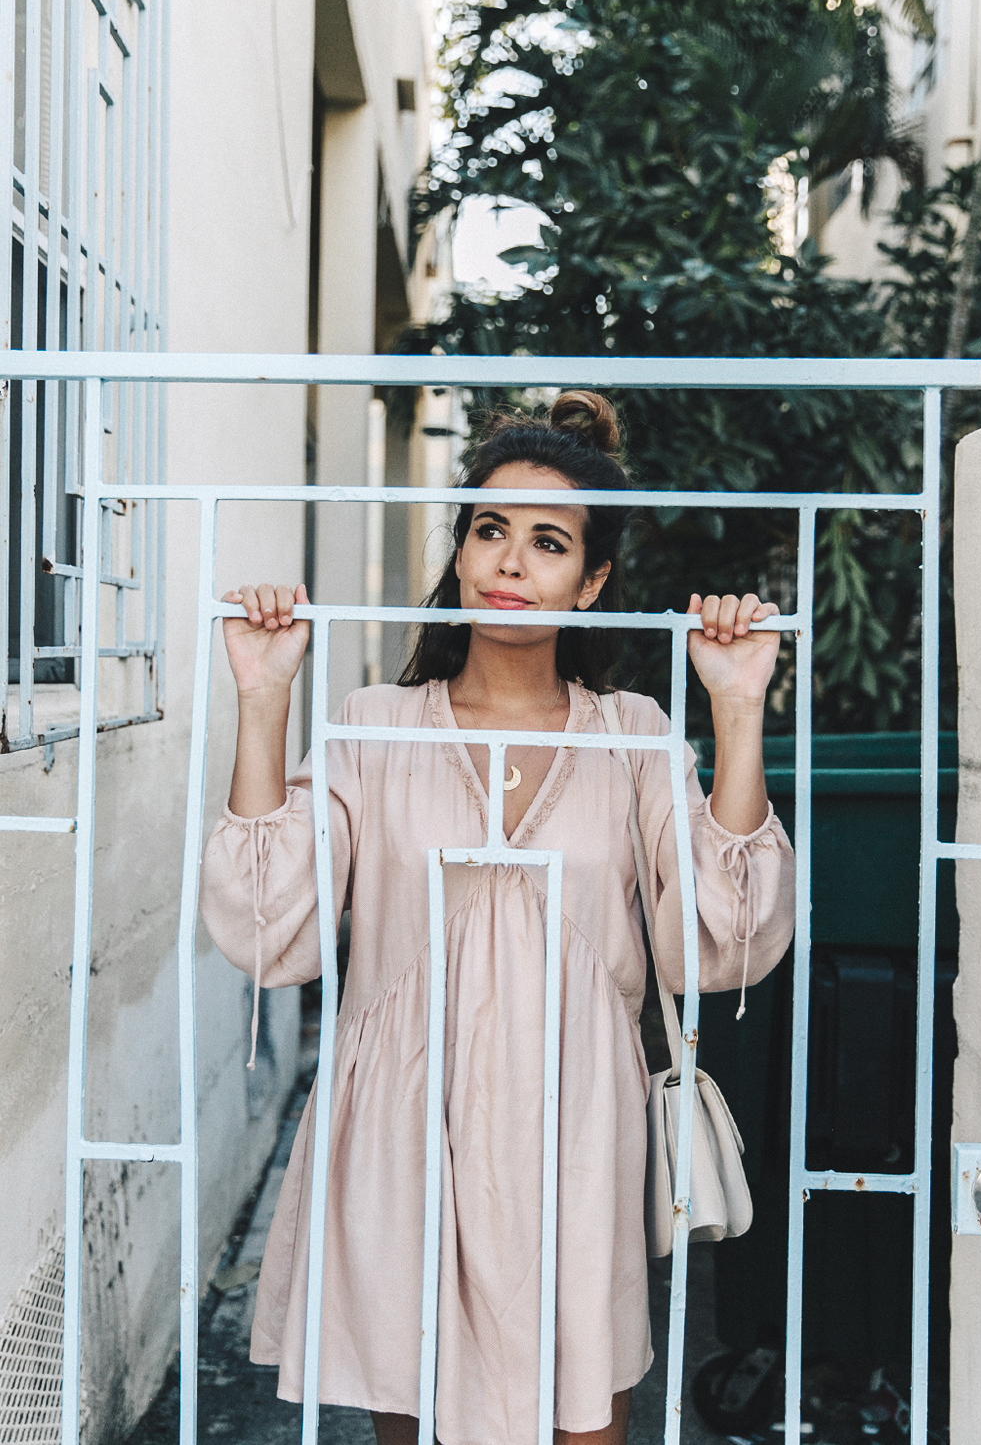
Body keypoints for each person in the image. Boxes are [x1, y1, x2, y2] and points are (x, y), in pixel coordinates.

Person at [199, 390, 795, 1445]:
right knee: (414, 1425)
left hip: (577, 1127)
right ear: (463, 551)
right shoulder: (376, 726)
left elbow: (722, 939)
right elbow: (266, 923)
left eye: (549, 543)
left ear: (594, 578)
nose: (511, 564)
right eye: (490, 530)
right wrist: (262, 699)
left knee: (585, 1428)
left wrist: (737, 709)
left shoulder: (633, 735)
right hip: (401, 1127)